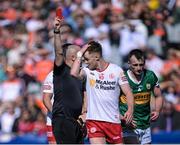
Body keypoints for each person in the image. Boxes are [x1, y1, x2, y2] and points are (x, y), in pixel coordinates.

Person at [70, 41, 134, 144]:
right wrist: (80, 53)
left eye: (87, 59)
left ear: (96, 57)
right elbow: (73, 73)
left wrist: (130, 110)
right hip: (94, 121)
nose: (85, 62)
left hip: (113, 121)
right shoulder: (87, 71)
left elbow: (128, 92)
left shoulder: (117, 70)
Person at [52, 17, 85, 144]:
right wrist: (56, 31)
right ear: (73, 57)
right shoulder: (61, 70)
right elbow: (59, 53)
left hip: (76, 121)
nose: (83, 57)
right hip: (63, 120)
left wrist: (83, 117)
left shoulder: (80, 74)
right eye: (80, 54)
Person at [119, 49, 164, 144]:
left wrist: (157, 110)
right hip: (128, 127)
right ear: (129, 63)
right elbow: (112, 102)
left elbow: (159, 95)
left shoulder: (150, 76)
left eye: (141, 64)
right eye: (135, 65)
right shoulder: (122, 78)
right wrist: (122, 118)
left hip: (145, 125)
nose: (139, 68)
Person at [42, 71, 56, 144]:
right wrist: (57, 115)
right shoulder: (51, 76)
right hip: (54, 121)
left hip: (74, 120)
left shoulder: (79, 73)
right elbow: (46, 99)